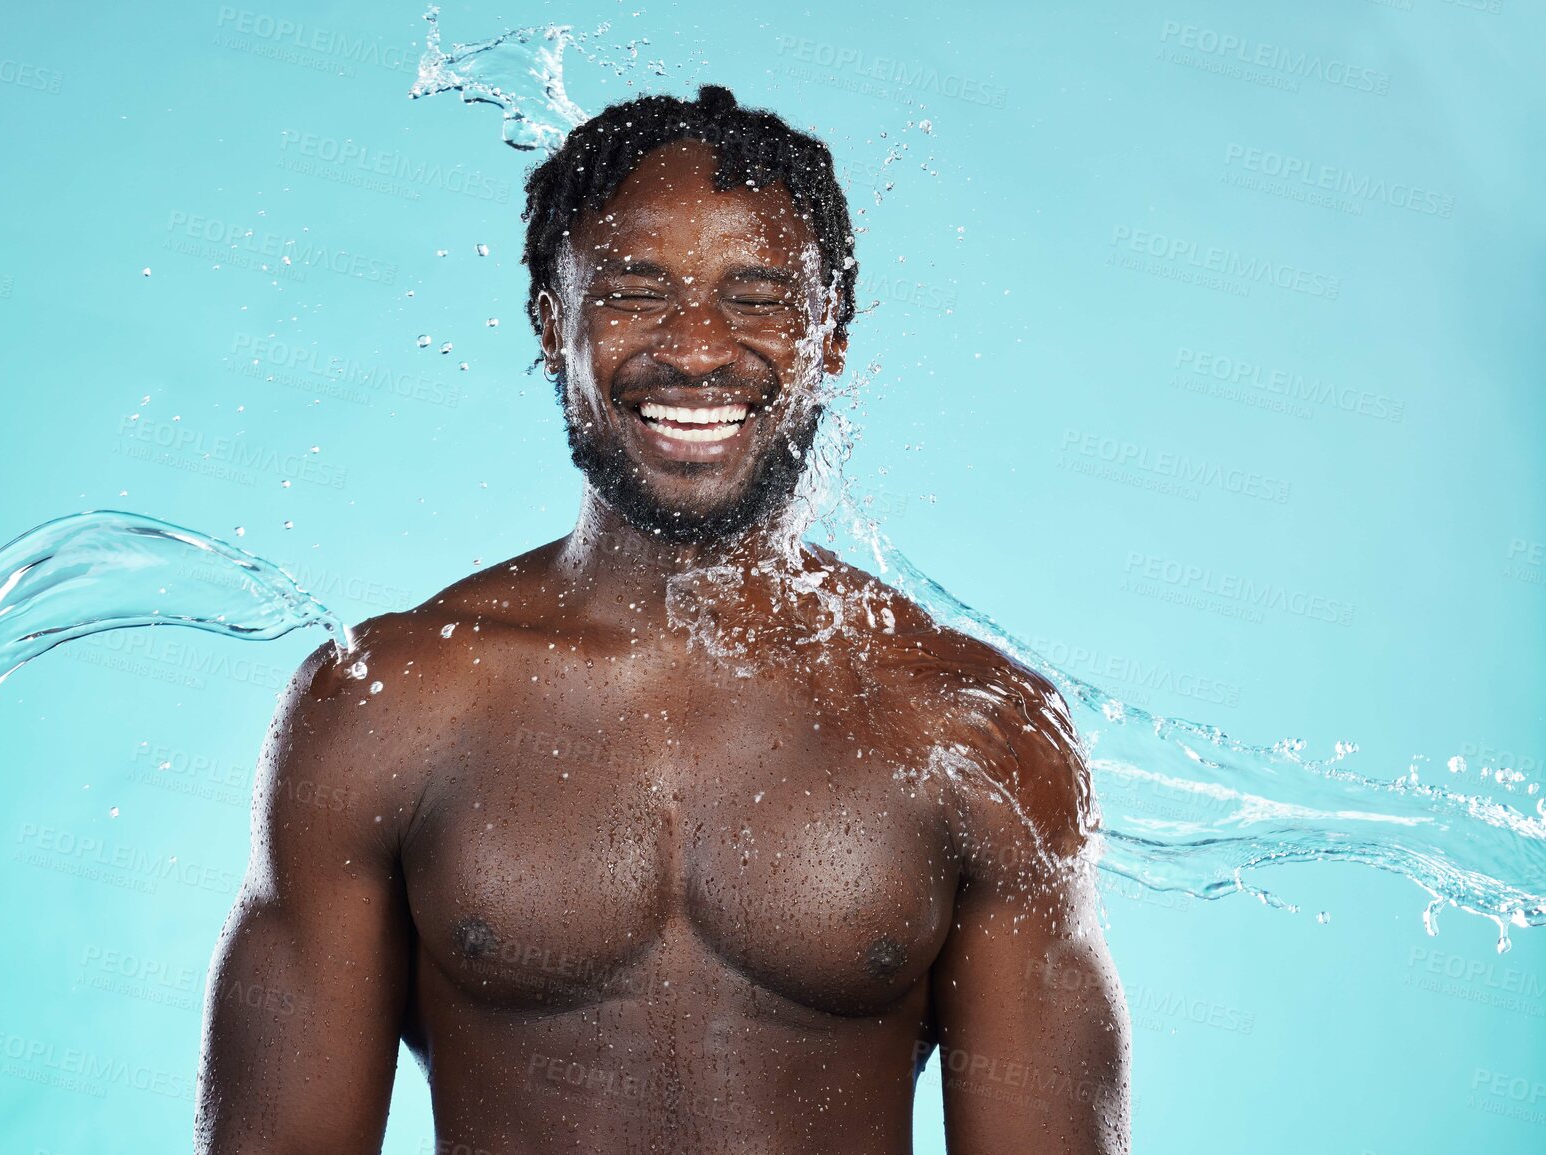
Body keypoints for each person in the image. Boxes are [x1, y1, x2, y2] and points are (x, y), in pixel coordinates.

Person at [195, 84, 1130, 1155]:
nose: (696, 349)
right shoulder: (384, 708)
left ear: (830, 336)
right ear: (555, 324)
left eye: (761, 295)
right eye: (637, 292)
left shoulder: (978, 730)